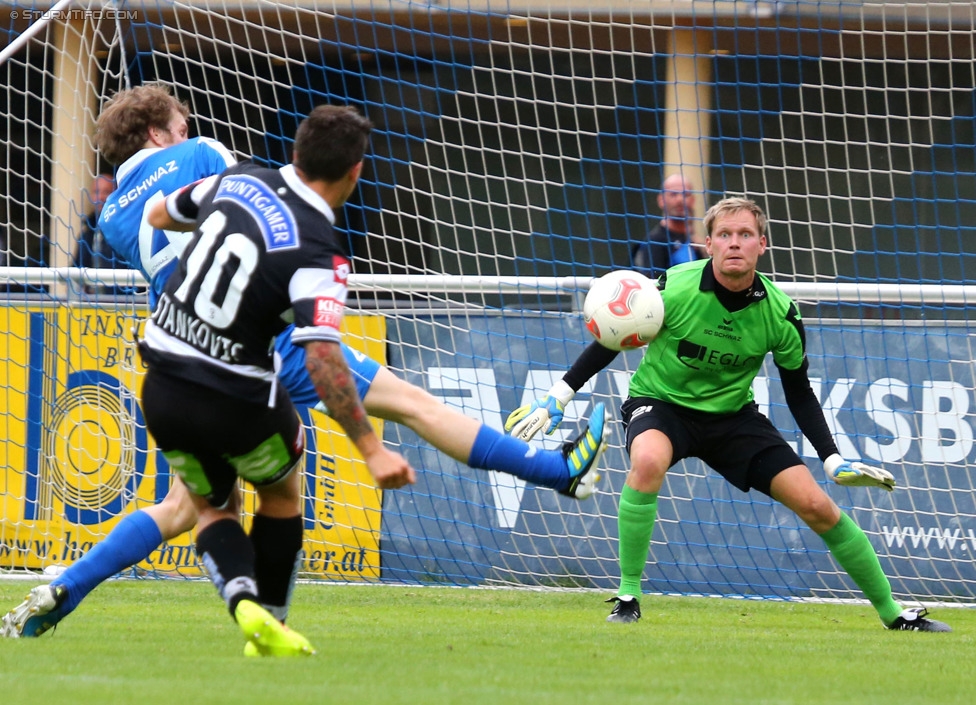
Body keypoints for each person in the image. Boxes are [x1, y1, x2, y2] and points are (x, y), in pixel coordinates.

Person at [1, 92, 607, 648]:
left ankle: (70, 584)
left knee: (189, 506)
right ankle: (559, 471)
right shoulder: (204, 155)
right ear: (161, 134)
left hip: (180, 347)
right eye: (180, 121)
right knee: (414, 409)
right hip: (269, 338)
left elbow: (187, 218)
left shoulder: (110, 216)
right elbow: (264, 210)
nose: (190, 127)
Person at [507, 196, 951, 632]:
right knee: (647, 461)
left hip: (733, 417)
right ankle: (628, 596)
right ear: (709, 244)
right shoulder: (673, 287)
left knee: (817, 504)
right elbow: (611, 338)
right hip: (661, 405)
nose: (734, 243)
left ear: (763, 244)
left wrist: (832, 459)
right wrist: (558, 397)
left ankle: (894, 614)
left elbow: (798, 391)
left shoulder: (780, 313)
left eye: (745, 234)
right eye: (724, 234)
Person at [630, 174, 702, 279]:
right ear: (661, 200)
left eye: (685, 194)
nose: (680, 200)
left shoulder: (696, 243)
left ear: (693, 200)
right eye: (673, 194)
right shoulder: (655, 242)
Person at [72, 172, 132, 296]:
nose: (100, 197)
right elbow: (76, 269)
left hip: (123, 302)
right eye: (96, 192)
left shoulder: (128, 230)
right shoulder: (87, 233)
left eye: (106, 192)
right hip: (92, 305)